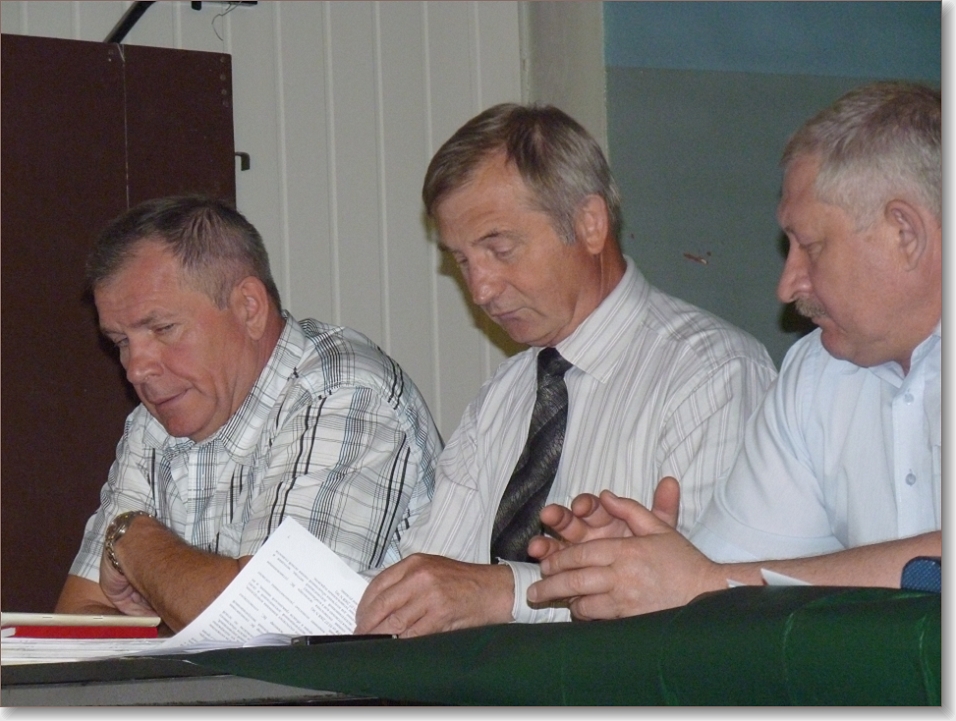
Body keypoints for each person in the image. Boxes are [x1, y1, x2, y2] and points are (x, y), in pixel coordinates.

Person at [354, 103, 777, 637]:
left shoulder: (712, 375)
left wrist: (505, 592)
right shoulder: (502, 397)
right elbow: (433, 575)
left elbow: (717, 602)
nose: (480, 289)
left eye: (499, 249)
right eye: (462, 261)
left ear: (590, 224)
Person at [526, 80, 942, 620]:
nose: (787, 286)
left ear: (905, 233)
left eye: (810, 246)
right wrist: (636, 572)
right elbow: (729, 576)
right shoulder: (815, 374)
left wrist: (703, 582)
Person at [55, 196, 443, 632]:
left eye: (162, 329)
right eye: (121, 342)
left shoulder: (343, 394)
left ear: (249, 308)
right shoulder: (156, 423)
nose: (136, 369)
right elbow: (75, 623)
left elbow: (270, 622)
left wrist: (134, 539)